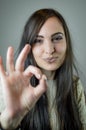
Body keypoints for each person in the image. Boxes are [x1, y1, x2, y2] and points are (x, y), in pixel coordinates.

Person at [0, 8, 86, 130]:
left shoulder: (75, 85)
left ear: (67, 42)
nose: (50, 50)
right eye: (38, 40)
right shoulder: (11, 87)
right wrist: (7, 123)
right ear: (28, 46)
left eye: (57, 38)